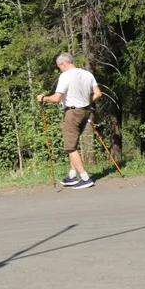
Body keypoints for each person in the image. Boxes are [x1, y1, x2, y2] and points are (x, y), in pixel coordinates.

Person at [38, 52, 102, 189]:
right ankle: (72, 175)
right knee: (74, 142)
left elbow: (56, 98)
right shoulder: (87, 74)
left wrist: (43, 98)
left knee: (70, 146)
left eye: (59, 67)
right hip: (86, 110)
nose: (60, 69)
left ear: (63, 64)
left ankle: (85, 178)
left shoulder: (65, 76)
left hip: (72, 112)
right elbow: (98, 94)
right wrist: (85, 102)